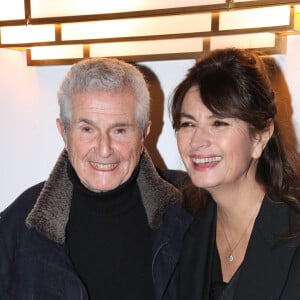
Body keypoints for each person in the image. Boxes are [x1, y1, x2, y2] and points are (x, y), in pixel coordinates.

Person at [0, 57, 192, 300]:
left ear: (144, 133)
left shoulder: (189, 207)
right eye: (87, 130)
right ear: (64, 132)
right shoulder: (17, 227)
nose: (104, 149)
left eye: (120, 130)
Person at [170, 48, 300, 299]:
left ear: (260, 136)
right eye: (188, 124)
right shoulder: (183, 230)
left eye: (219, 123)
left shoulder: (293, 232)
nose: (197, 141)